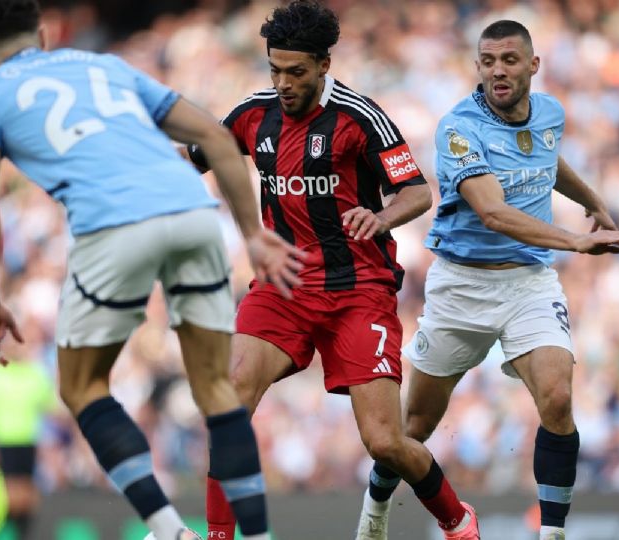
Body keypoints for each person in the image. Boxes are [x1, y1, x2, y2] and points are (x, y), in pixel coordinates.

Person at [0, 1, 306, 539]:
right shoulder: (104, 67)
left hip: (112, 226)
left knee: (83, 386)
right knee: (215, 388)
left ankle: (169, 530)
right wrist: (253, 234)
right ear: (44, 37)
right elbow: (215, 136)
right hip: (193, 211)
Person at [185, 2, 479, 539]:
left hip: (357, 292)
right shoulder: (253, 113)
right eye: (275, 69)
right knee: (225, 402)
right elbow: (198, 157)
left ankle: (457, 520)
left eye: (295, 72)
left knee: (385, 442)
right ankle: (219, 535)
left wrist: (381, 214)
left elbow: (417, 191)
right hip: (283, 287)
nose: (282, 83)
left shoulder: (359, 117)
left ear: (323, 65)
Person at [357, 20, 619, 540]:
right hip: (462, 285)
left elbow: (546, 156)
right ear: (478, 67)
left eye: (509, 60)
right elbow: (492, 212)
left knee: (557, 396)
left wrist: (592, 201)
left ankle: (551, 532)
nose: (497, 71)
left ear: (533, 65)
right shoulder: (459, 127)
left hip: (529, 282)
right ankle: (375, 508)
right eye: (487, 61)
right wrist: (575, 240)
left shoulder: (551, 112)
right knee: (413, 429)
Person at [0, 356, 57, 538]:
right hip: (2, 441)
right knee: (8, 496)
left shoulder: (36, 373)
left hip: (28, 441)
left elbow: (50, 408)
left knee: (27, 496)